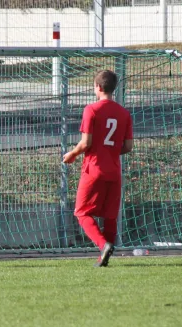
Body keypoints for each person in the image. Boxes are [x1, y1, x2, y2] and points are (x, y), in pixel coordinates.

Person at [63, 70, 134, 267]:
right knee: (110, 216)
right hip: (114, 171)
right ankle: (106, 254)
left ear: (98, 87)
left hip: (93, 169)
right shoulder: (124, 113)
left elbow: (86, 143)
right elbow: (128, 147)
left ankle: (103, 245)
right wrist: (110, 151)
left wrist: (72, 154)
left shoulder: (91, 110)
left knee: (81, 212)